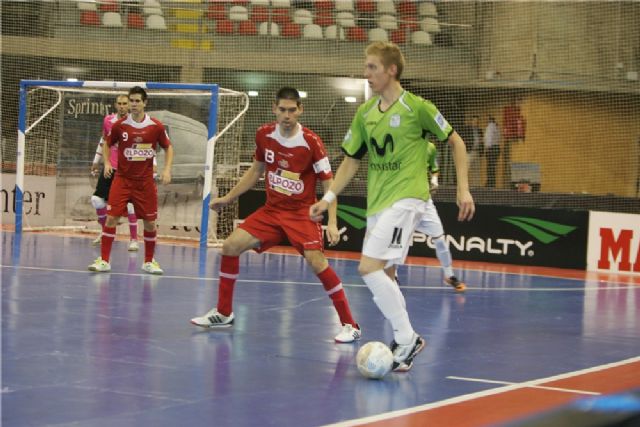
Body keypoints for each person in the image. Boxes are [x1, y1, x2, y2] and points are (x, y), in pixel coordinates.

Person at [309, 41, 474, 372]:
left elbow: (456, 141)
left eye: (372, 67)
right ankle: (404, 343)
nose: (366, 73)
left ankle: (407, 337)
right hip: (378, 204)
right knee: (385, 274)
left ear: (391, 70)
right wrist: (327, 198)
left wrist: (463, 188)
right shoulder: (365, 113)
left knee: (367, 267)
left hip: (408, 198)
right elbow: (351, 160)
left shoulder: (418, 107)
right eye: (366, 67)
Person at [190, 87, 361, 343]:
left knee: (317, 263)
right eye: (282, 110)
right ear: (274, 109)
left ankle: (350, 324)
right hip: (271, 212)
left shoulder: (312, 142)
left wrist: (333, 222)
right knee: (230, 246)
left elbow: (330, 183)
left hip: (301, 214)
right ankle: (224, 313)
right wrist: (228, 198)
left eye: (292, 110)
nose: (287, 115)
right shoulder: (264, 134)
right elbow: (256, 171)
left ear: (300, 110)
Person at [88, 86, 174, 274]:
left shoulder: (156, 126)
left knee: (150, 223)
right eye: (131, 101)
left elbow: (168, 147)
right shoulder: (119, 125)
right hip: (122, 180)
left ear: (145, 103)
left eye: (137, 101)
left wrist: (167, 169)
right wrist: (107, 163)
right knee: (111, 218)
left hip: (145, 183)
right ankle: (104, 261)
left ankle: (149, 261)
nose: (133, 104)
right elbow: (107, 143)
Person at [391, 141, 467, 293]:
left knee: (440, 240)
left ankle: (449, 275)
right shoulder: (401, 144)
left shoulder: (430, 147)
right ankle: (393, 275)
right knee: (400, 241)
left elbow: (434, 168)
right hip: (404, 200)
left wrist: (434, 180)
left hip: (425, 202)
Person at [90, 94, 139, 251]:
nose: (122, 106)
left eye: (125, 103)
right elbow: (104, 141)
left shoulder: (135, 122)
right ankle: (105, 232)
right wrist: (97, 161)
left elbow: (144, 145)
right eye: (120, 103)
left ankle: (134, 239)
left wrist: (153, 164)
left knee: (130, 206)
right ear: (116, 105)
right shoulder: (108, 121)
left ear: (129, 105)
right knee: (97, 200)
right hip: (110, 167)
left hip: (128, 170)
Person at [484, 116, 501, 188]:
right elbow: (499, 138)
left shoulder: (489, 127)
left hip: (491, 149)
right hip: (497, 148)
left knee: (489, 166)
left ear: (489, 120)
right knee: (493, 166)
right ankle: (492, 182)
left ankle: (490, 183)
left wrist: (487, 148)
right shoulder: (497, 127)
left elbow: (489, 138)